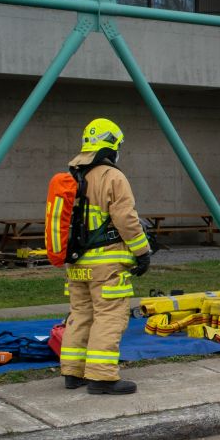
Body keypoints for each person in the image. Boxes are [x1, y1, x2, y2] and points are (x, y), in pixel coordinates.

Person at [60, 118, 151, 395]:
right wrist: (142, 253)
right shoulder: (112, 177)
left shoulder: (72, 176)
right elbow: (126, 219)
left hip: (76, 264)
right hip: (106, 264)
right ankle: (101, 377)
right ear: (111, 145)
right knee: (109, 316)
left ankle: (73, 372)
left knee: (80, 315)